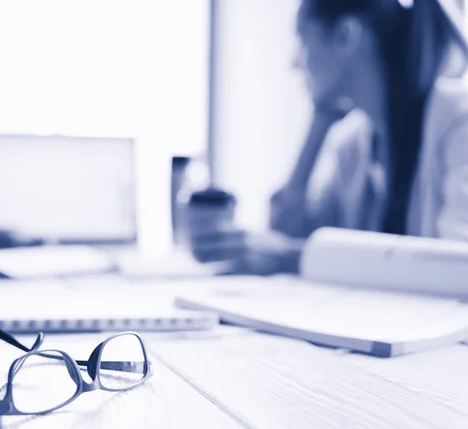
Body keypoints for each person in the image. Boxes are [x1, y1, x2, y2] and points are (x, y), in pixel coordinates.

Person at [191, 0, 468, 274]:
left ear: (345, 35)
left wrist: (290, 257)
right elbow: (286, 235)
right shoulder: (355, 145)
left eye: (302, 39)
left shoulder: (459, 121)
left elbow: (456, 266)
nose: (294, 62)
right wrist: (319, 122)